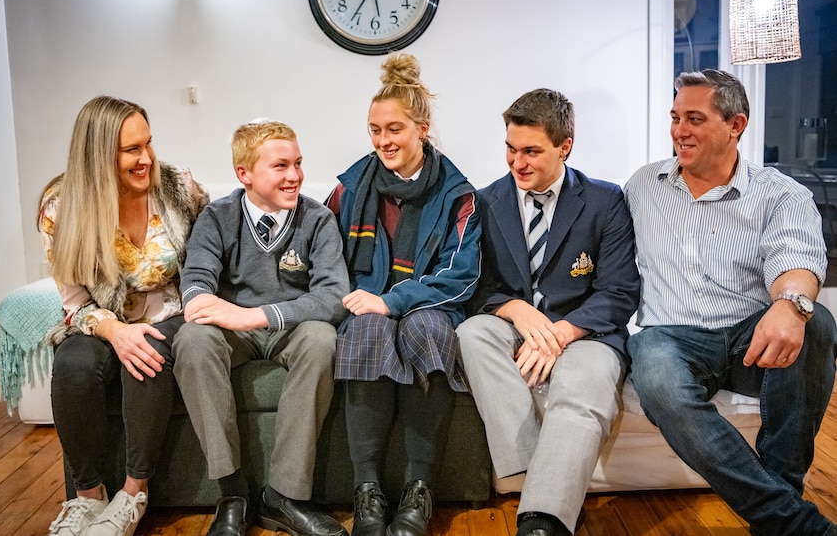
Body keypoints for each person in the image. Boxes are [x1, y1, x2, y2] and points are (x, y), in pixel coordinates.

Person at [624, 69, 837, 536]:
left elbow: (798, 261)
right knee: (656, 377)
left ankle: (779, 497)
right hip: (670, 336)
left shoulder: (779, 194)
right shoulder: (642, 186)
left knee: (816, 321)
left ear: (735, 125)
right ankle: (791, 522)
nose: (679, 130)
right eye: (676, 117)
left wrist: (790, 304)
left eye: (695, 118)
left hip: (749, 336)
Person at [456, 88, 640, 536]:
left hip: (586, 334)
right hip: (513, 326)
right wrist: (517, 310)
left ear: (565, 147)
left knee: (583, 384)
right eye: (511, 149)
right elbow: (472, 285)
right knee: (471, 334)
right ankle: (542, 476)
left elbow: (619, 292)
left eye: (531, 151)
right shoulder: (484, 201)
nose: (517, 162)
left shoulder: (605, 201)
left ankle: (542, 520)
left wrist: (561, 332)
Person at [325, 53, 480, 536]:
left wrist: (393, 300)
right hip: (362, 304)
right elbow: (326, 257)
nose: (383, 141)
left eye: (394, 129)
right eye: (375, 130)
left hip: (431, 304)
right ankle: (367, 491)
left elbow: (461, 274)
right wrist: (364, 302)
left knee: (427, 329)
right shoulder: (349, 189)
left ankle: (419, 489)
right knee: (368, 330)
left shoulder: (459, 194)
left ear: (422, 129)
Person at [39, 96, 209, 536]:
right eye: (132, 150)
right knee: (73, 364)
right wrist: (113, 330)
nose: (146, 158)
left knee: (146, 354)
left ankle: (133, 493)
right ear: (97, 155)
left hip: (172, 309)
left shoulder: (178, 187)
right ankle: (87, 496)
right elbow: (74, 303)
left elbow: (214, 252)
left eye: (148, 144)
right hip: (101, 316)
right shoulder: (60, 207)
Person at [172, 119, 350, 536]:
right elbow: (195, 279)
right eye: (281, 166)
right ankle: (232, 492)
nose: (294, 176)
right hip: (233, 336)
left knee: (323, 338)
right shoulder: (217, 217)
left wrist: (255, 315)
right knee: (192, 340)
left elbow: (332, 297)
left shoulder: (318, 219)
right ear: (244, 174)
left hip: (291, 327)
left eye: (298, 164)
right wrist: (201, 301)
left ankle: (285, 497)